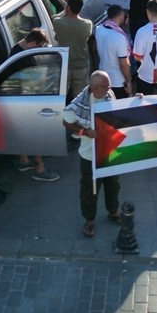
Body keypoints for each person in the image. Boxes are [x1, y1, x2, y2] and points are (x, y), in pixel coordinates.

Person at [63, 70, 121, 238]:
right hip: (90, 155)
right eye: (105, 86)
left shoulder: (109, 94)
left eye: (109, 85)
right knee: (90, 189)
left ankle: (113, 211)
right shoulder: (78, 104)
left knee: (113, 184)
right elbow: (66, 122)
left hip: (110, 151)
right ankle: (89, 220)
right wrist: (85, 131)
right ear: (94, 88)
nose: (109, 88)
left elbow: (122, 110)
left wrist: (139, 100)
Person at [8, 28, 60, 182]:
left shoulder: (16, 49)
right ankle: (39, 168)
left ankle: (24, 160)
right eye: (39, 47)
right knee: (36, 133)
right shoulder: (24, 58)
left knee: (22, 132)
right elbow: (31, 81)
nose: (39, 51)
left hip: (16, 100)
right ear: (32, 43)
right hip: (27, 99)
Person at [52, 0, 94, 103]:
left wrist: (64, 12)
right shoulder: (87, 24)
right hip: (81, 65)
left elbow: (55, 19)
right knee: (80, 97)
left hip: (64, 63)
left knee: (61, 96)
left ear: (68, 7)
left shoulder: (58, 22)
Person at [93, 4, 132, 99]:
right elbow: (123, 64)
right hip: (118, 82)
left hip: (103, 79)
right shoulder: (120, 37)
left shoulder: (98, 29)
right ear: (120, 15)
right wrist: (129, 81)